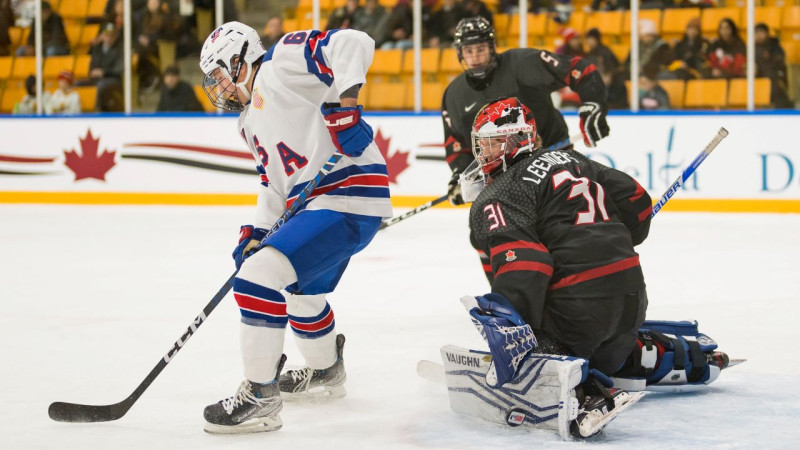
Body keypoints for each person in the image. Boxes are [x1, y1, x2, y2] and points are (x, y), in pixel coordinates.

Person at [455, 97, 732, 438]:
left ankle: (585, 394)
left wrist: (518, 337)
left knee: (513, 319)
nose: (485, 153)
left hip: (579, 315)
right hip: (632, 302)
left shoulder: (500, 193)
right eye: (483, 144)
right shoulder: (574, 159)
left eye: (494, 143)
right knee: (605, 340)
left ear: (518, 140)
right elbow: (639, 205)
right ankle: (664, 355)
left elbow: (526, 267)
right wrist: (609, 236)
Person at [197, 22, 392, 433]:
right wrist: (259, 230)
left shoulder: (280, 61)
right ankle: (326, 371)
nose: (219, 87)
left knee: (255, 281)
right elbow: (273, 182)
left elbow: (353, 42)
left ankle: (259, 396)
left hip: (345, 194)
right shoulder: (247, 122)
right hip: (317, 204)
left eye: (218, 75)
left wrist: (346, 103)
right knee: (303, 295)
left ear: (238, 61)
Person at [441, 17, 609, 207]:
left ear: (492, 47)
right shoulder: (454, 95)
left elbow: (580, 69)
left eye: (480, 49)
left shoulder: (521, 64)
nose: (475, 57)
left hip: (552, 157)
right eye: (468, 51)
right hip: (503, 177)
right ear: (460, 53)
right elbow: (456, 144)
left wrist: (593, 105)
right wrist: (460, 174)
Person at [754, 23, 792, 108]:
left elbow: (780, 62)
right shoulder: (753, 48)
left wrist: (769, 58)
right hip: (759, 79)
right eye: (756, 32)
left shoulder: (775, 46)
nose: (759, 35)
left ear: (767, 33)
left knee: (775, 88)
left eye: (761, 32)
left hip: (774, 78)